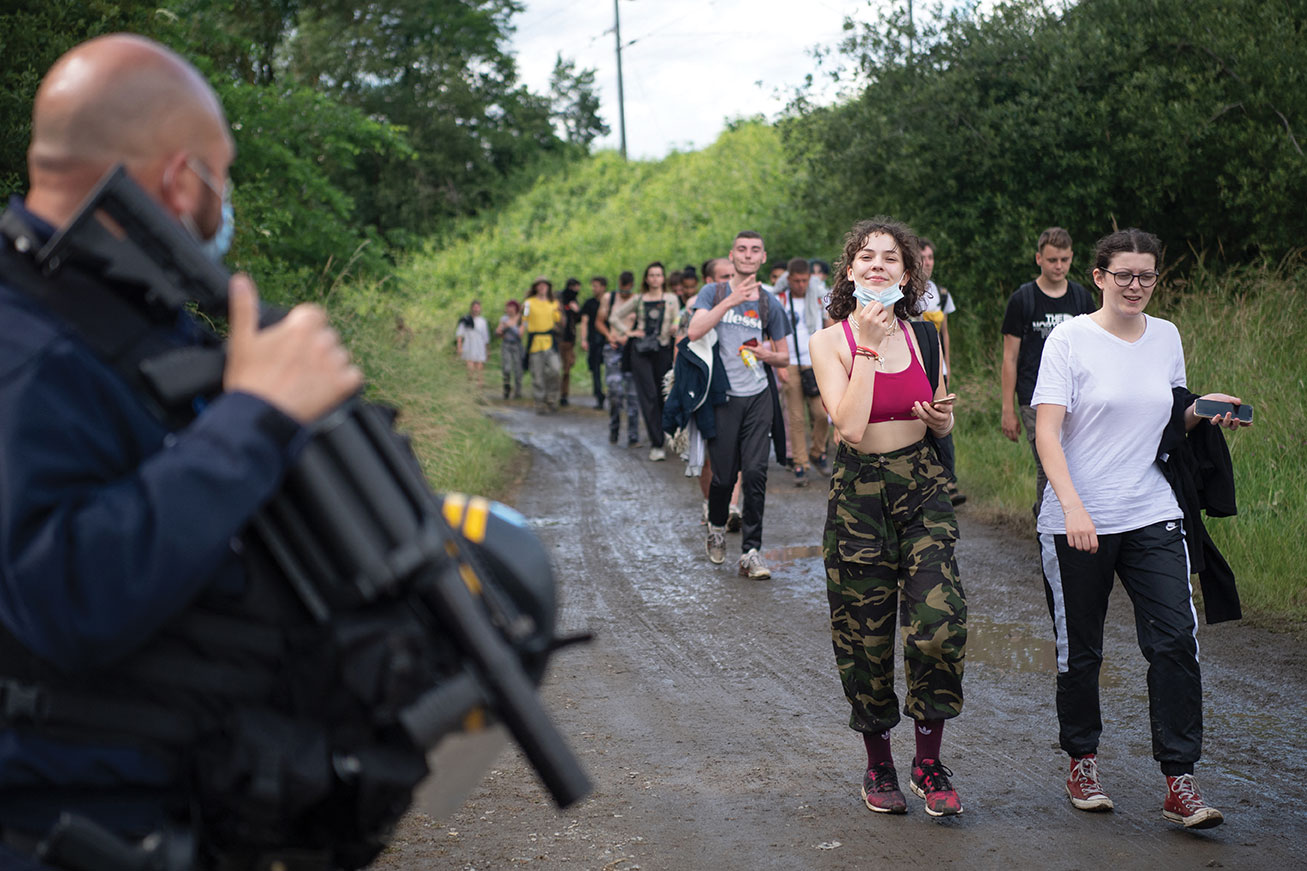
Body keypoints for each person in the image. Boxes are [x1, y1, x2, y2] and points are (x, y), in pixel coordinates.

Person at [0, 33, 366, 863]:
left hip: (143, 812)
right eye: (222, 171)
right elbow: (64, 594)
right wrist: (254, 417)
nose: (224, 198)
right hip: (52, 831)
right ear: (179, 179)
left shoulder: (93, 314)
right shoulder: (24, 349)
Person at [1033, 227, 1249, 830]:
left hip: (1153, 509)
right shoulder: (1070, 339)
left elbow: (1166, 417)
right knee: (1082, 650)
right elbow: (1046, 430)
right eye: (1123, 274)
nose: (1135, 286)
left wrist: (1206, 408)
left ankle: (1179, 779)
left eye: (1146, 276)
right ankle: (1082, 761)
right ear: (1098, 277)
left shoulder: (1167, 336)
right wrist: (1073, 506)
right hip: (1077, 518)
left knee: (1176, 641)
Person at [808, 218, 967, 818]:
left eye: (891, 259)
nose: (879, 265)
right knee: (865, 637)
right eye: (867, 257)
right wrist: (869, 347)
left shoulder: (926, 335)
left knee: (940, 623)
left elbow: (943, 420)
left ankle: (929, 762)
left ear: (908, 273)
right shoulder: (830, 342)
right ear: (850, 271)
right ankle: (879, 765)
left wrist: (941, 418)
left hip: (921, 488)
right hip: (859, 497)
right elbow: (848, 425)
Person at [688, 231, 789, 580]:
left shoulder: (769, 303)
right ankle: (717, 526)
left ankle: (751, 552)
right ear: (732, 256)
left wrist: (766, 354)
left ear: (763, 258)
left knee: (757, 474)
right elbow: (694, 331)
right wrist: (730, 302)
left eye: (755, 250)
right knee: (724, 477)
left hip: (759, 396)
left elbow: (784, 357)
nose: (748, 255)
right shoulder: (712, 293)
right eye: (742, 250)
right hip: (722, 397)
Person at [1001, 226, 1096, 516]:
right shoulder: (1023, 299)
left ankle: (1057, 516)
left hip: (1075, 395)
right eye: (1053, 260)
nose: (1059, 266)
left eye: (1065, 260)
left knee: (1073, 461)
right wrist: (1008, 409)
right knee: (1047, 462)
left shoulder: (1081, 298)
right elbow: (1010, 357)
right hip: (1034, 396)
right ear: (1039, 258)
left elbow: (1093, 349)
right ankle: (1049, 528)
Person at [611, 262, 681, 461]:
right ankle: (656, 443)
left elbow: (679, 317)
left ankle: (670, 435)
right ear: (646, 278)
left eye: (659, 275)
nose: (655, 279)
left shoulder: (670, 299)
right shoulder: (639, 299)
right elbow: (615, 316)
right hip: (641, 350)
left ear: (663, 278)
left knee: (664, 395)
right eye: (651, 275)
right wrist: (629, 332)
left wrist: (675, 327)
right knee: (647, 395)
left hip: (663, 349)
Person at [913, 238, 965, 505]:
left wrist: (948, 366)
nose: (927, 262)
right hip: (913, 367)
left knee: (943, 421)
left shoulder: (940, 294)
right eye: (922, 257)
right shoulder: (904, 291)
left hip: (938, 366)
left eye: (931, 257)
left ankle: (950, 480)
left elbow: (945, 333)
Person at [777, 258, 830, 486]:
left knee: (822, 414)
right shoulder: (780, 298)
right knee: (796, 417)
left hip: (815, 361)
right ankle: (800, 464)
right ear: (789, 280)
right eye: (796, 281)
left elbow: (830, 326)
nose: (801, 285)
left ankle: (817, 452)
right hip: (789, 361)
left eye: (804, 281)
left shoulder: (818, 296)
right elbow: (773, 330)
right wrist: (779, 364)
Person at [597, 270, 640, 445]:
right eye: (622, 290)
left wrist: (630, 336)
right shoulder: (609, 298)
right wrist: (609, 336)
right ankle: (614, 428)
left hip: (630, 349)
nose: (625, 293)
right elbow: (599, 321)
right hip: (613, 348)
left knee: (632, 395)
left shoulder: (637, 300)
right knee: (615, 392)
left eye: (627, 290)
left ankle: (633, 436)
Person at [522, 276, 562, 413]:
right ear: (535, 287)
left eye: (544, 285)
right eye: (539, 285)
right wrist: (522, 329)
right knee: (537, 375)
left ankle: (552, 397)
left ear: (548, 287)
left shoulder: (554, 303)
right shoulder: (529, 302)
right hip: (535, 342)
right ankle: (539, 402)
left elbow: (559, 320)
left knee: (555, 369)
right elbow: (524, 319)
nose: (542, 287)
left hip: (549, 341)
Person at [579, 276, 607, 408]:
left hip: (608, 340)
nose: (593, 288)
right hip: (593, 341)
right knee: (595, 369)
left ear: (603, 287)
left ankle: (613, 395)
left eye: (596, 286)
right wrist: (583, 339)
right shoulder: (589, 303)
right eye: (593, 286)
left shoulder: (609, 301)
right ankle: (599, 396)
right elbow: (584, 322)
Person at [557, 277, 582, 407]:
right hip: (557, 339)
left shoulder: (574, 301)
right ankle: (554, 392)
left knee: (567, 369)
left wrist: (576, 311)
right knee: (556, 368)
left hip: (569, 340)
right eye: (574, 288)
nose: (576, 291)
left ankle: (564, 395)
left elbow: (578, 320)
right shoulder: (558, 298)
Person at [455, 299, 490, 390]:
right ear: (471, 308)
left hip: (480, 346)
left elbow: (486, 337)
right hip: (469, 345)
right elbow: (460, 334)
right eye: (474, 307)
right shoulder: (465, 319)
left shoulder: (483, 321)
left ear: (480, 309)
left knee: (479, 367)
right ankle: (470, 387)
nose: (476, 309)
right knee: (470, 366)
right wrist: (459, 347)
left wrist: (487, 350)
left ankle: (479, 388)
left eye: (478, 307)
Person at [496, 299, 525, 399]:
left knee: (518, 369)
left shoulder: (521, 319)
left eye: (511, 308)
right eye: (508, 308)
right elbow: (499, 332)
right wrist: (501, 330)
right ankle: (506, 387)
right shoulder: (503, 318)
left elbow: (520, 334)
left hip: (517, 345)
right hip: (506, 345)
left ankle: (518, 392)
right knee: (506, 368)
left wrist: (510, 326)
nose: (509, 310)